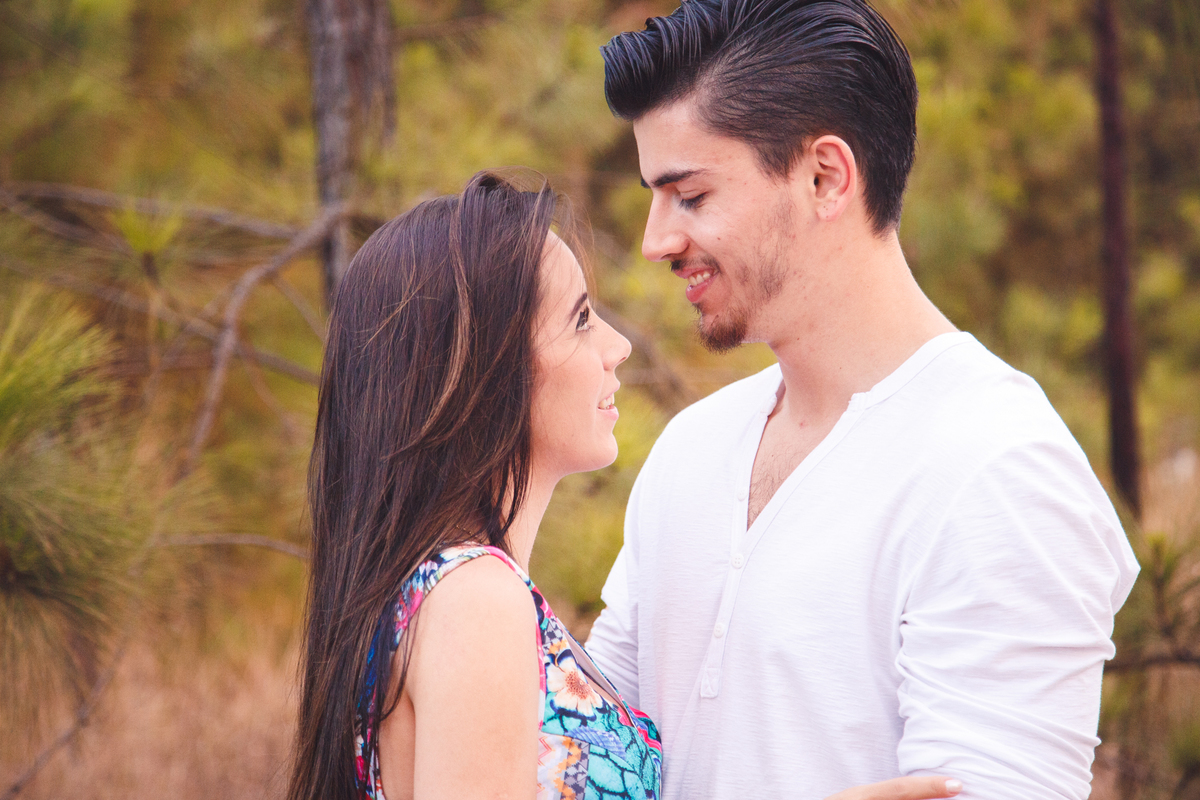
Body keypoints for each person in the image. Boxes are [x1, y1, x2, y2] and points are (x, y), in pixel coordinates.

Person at [585, 2, 1141, 800]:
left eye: (691, 196)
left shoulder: (998, 467)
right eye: (655, 196)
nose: (655, 240)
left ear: (825, 177)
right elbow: (584, 763)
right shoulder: (691, 446)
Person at [285, 172, 963, 800]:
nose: (617, 347)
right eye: (580, 320)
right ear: (480, 370)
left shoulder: (428, 592)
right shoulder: (476, 601)